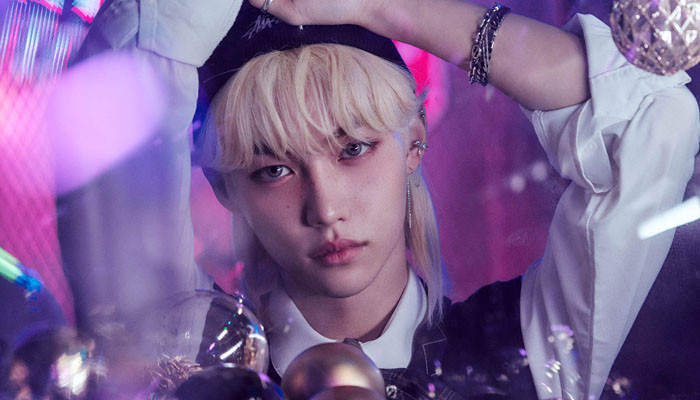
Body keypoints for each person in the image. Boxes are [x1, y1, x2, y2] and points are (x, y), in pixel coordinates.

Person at [56, 0, 699, 399]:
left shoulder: (525, 353)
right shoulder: (189, 361)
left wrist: (387, 8)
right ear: (227, 189)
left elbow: (648, 119)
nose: (325, 207)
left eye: (354, 149)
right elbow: (114, 96)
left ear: (413, 144)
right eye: (274, 169)